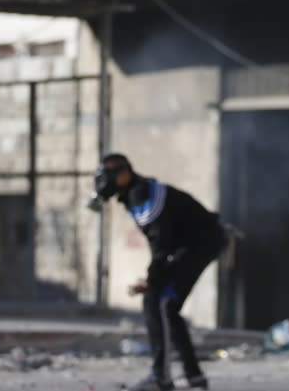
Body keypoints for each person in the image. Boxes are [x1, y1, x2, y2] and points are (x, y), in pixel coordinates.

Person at [88, 154, 227, 391]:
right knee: (165, 305)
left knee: (161, 301)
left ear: (124, 174)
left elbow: (161, 241)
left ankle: (161, 378)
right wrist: (154, 277)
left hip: (202, 243)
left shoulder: (142, 194)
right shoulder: (134, 195)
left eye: (111, 175)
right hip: (189, 245)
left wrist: (153, 278)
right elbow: (164, 242)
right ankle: (193, 377)